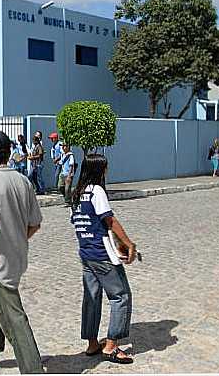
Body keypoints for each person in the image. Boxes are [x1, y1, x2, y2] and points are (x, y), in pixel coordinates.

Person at [0, 130, 44, 373]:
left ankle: (32, 369)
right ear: (9, 151)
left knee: (14, 316)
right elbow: (35, 223)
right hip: (18, 255)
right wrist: (17, 239)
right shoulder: (23, 180)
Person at [70, 154, 137, 364]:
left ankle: (92, 343)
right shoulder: (97, 191)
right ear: (99, 170)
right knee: (121, 296)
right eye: (105, 168)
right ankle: (111, 345)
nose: (107, 171)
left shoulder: (77, 193)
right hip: (101, 254)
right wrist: (128, 243)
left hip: (86, 254)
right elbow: (109, 220)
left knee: (92, 298)